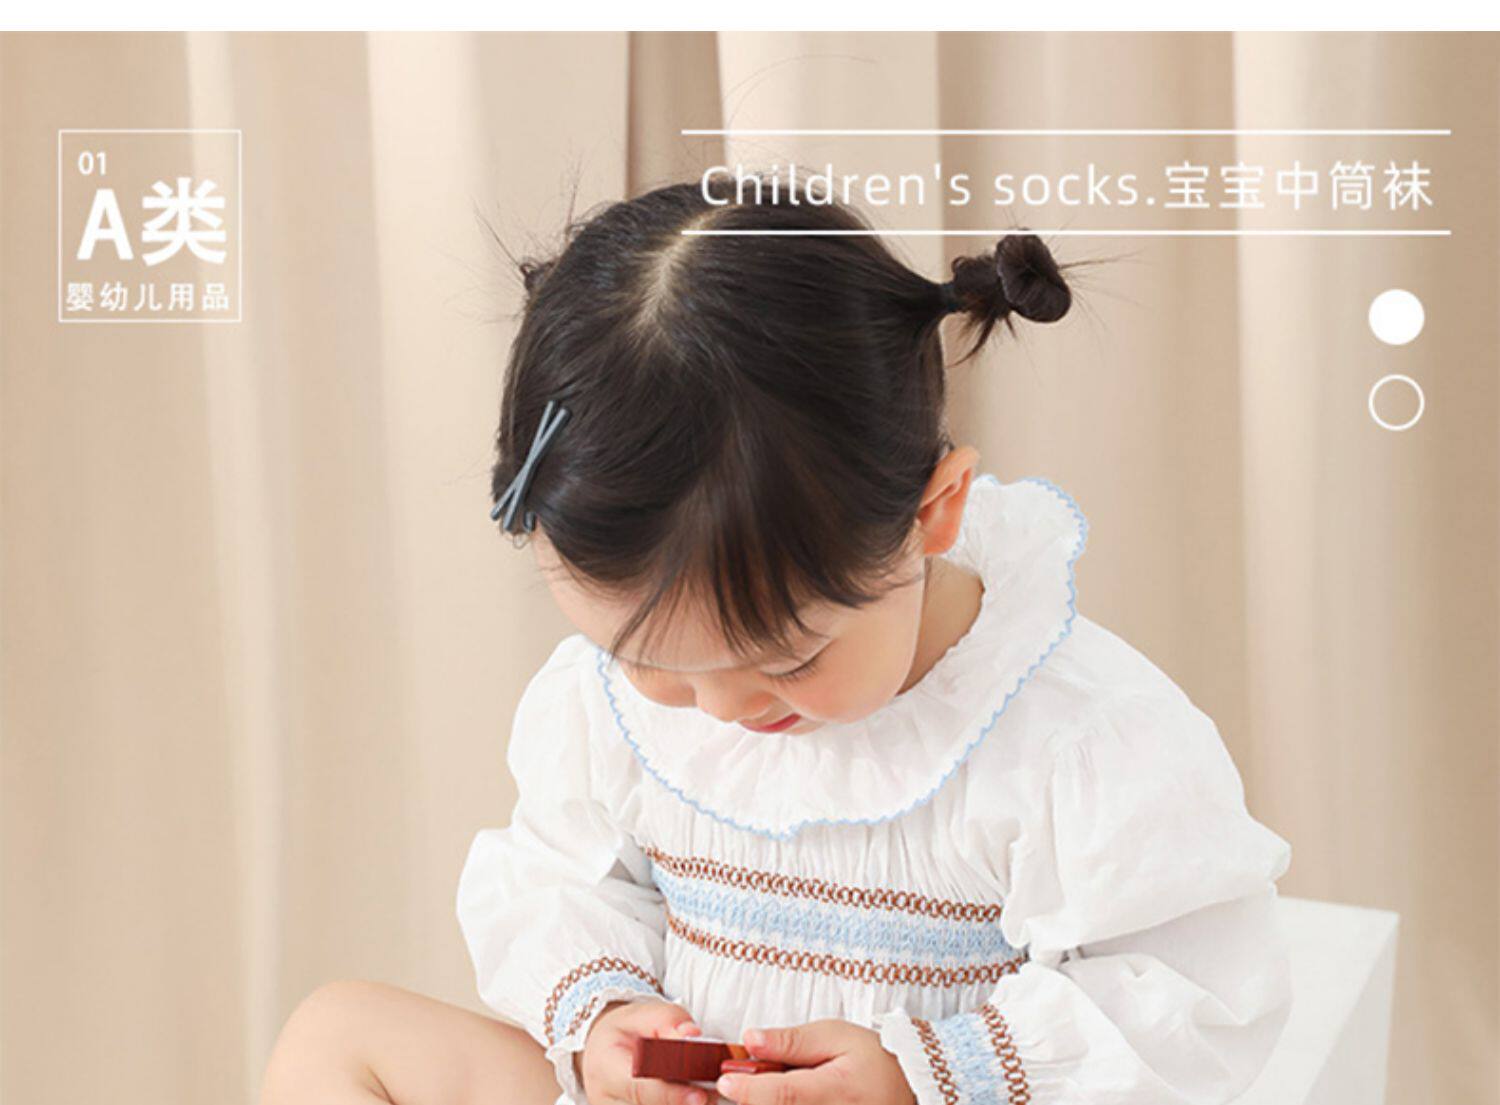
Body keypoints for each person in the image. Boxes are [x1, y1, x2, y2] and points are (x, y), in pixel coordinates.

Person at [260, 174, 1292, 1105]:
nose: (722, 708)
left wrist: (923, 1073)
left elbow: (1195, 996)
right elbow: (561, 878)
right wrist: (605, 1013)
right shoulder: (608, 711)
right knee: (339, 1033)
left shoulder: (1073, 736)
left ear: (934, 513)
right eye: (649, 661)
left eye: (790, 659)